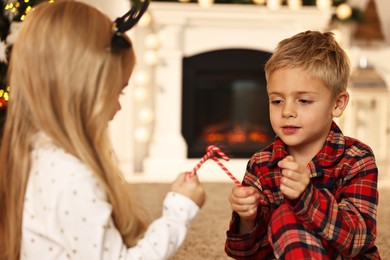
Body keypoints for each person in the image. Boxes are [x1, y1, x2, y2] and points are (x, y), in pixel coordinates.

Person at [0, 1, 206, 259]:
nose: (119, 106)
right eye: (117, 90)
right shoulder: (72, 177)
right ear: (82, 91)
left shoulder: (39, 152)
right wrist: (179, 210)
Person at [225, 30, 380, 259]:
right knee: (284, 218)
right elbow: (244, 253)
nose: (287, 112)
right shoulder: (261, 165)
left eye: (304, 101)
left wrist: (307, 197)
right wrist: (247, 219)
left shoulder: (357, 159)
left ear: (337, 104)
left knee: (286, 215)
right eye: (277, 101)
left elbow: (358, 239)